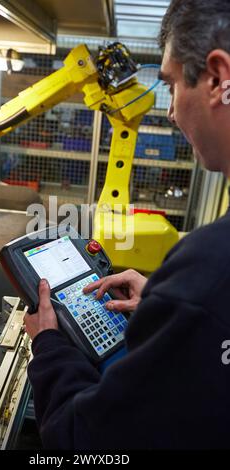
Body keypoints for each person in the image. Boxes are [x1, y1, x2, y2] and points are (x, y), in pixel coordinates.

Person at [24, 0, 230, 449]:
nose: (171, 112)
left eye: (172, 84)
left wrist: (50, 347)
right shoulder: (201, 284)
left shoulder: (207, 269)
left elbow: (87, 442)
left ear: (217, 78)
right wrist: (166, 308)